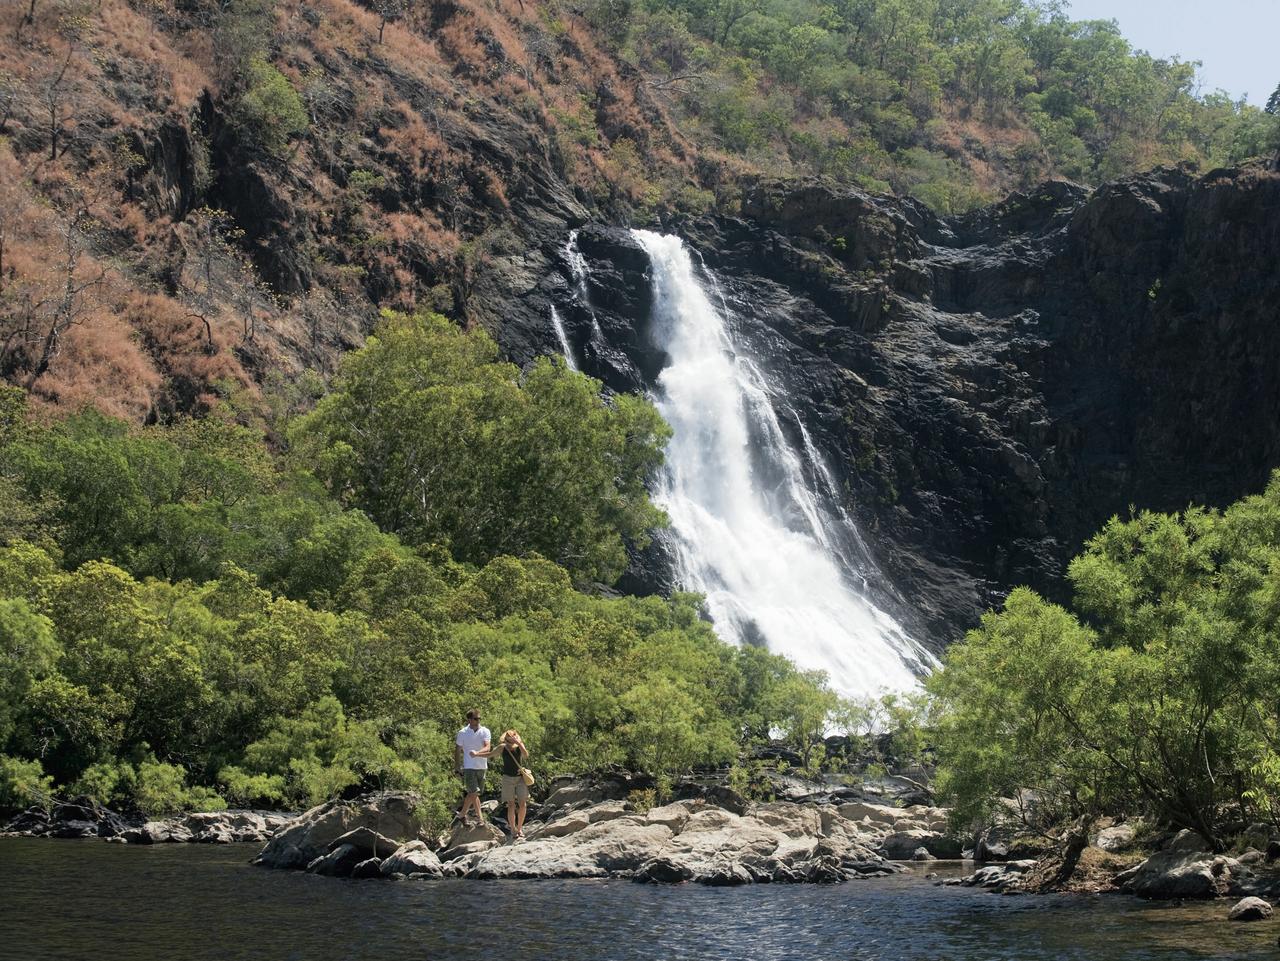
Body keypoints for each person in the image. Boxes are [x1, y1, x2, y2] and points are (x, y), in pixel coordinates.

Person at [472, 729, 530, 840]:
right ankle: (513, 829)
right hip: (507, 778)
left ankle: (520, 828)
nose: (511, 739)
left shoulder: (519, 746)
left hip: (520, 778)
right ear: (506, 738)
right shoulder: (502, 747)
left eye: (513, 737)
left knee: (523, 803)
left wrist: (518, 743)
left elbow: (526, 755)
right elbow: (490, 754)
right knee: (511, 804)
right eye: (509, 738)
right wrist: (477, 754)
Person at [454, 709, 491, 827]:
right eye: (476, 719)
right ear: (469, 720)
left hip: (482, 766)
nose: (478, 720)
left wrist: (477, 753)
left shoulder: (485, 731)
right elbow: (458, 750)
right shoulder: (462, 732)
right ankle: (480, 819)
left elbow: (488, 747)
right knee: (474, 792)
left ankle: (461, 815)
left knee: (473, 794)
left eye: (479, 718)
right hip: (469, 766)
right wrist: (457, 766)